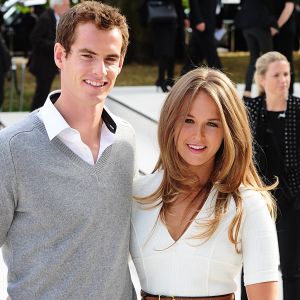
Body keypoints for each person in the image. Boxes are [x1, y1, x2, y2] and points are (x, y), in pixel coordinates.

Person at [0, 1, 137, 299]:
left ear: (121, 62)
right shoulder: (12, 149)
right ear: (61, 55)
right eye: (87, 56)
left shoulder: (126, 141)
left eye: (110, 58)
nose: (100, 71)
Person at [131, 67, 279, 300]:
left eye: (212, 124)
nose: (197, 136)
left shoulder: (248, 204)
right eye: (188, 120)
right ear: (170, 122)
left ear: (228, 130)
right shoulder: (137, 194)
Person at [244, 51, 300, 299]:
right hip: (256, 199)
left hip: (292, 201)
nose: (284, 80)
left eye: (286, 74)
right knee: (251, 268)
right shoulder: (249, 109)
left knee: (292, 269)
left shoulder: (298, 109)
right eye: (277, 75)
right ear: (262, 79)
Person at [28, 0, 70, 111]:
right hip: (42, 64)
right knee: (41, 93)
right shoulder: (45, 18)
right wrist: (55, 46)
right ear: (56, 6)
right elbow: (34, 38)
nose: (68, 7)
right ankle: (35, 116)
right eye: (66, 5)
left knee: (44, 92)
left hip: (49, 64)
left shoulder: (58, 17)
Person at [140, 0, 185, 92]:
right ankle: (163, 79)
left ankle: (167, 79)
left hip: (169, 21)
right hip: (159, 21)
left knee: (169, 52)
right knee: (163, 52)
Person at [235, 0, 276, 98]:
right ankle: (267, 91)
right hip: (260, 25)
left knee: (254, 59)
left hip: (247, 26)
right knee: (269, 59)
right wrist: (274, 24)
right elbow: (270, 6)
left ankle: (247, 91)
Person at [181, 0, 222, 75]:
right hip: (202, 24)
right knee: (211, 55)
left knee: (195, 55)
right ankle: (220, 78)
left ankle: (184, 77)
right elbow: (194, 2)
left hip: (209, 23)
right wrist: (199, 21)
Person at [272, 0, 296, 93]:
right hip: (275, 30)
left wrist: (276, 27)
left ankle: (289, 91)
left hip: (285, 30)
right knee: (274, 61)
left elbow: (289, 7)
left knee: (286, 60)